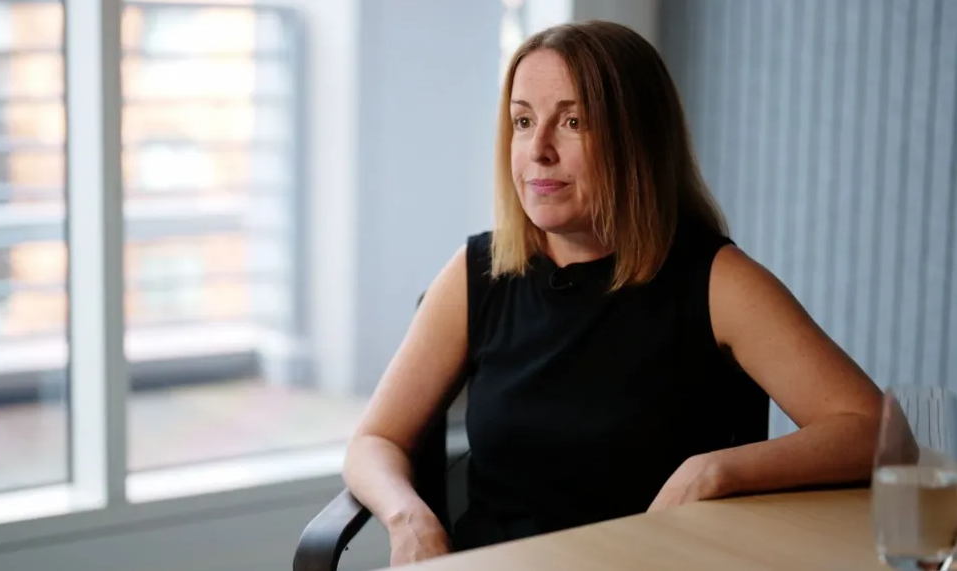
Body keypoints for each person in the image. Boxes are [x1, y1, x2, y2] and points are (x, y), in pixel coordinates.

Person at [343, 20, 883, 566]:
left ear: (636, 139)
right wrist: (406, 517)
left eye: (573, 122)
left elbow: (873, 430)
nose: (539, 150)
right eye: (523, 121)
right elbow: (375, 440)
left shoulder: (717, 280)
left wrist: (716, 470)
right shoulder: (478, 272)